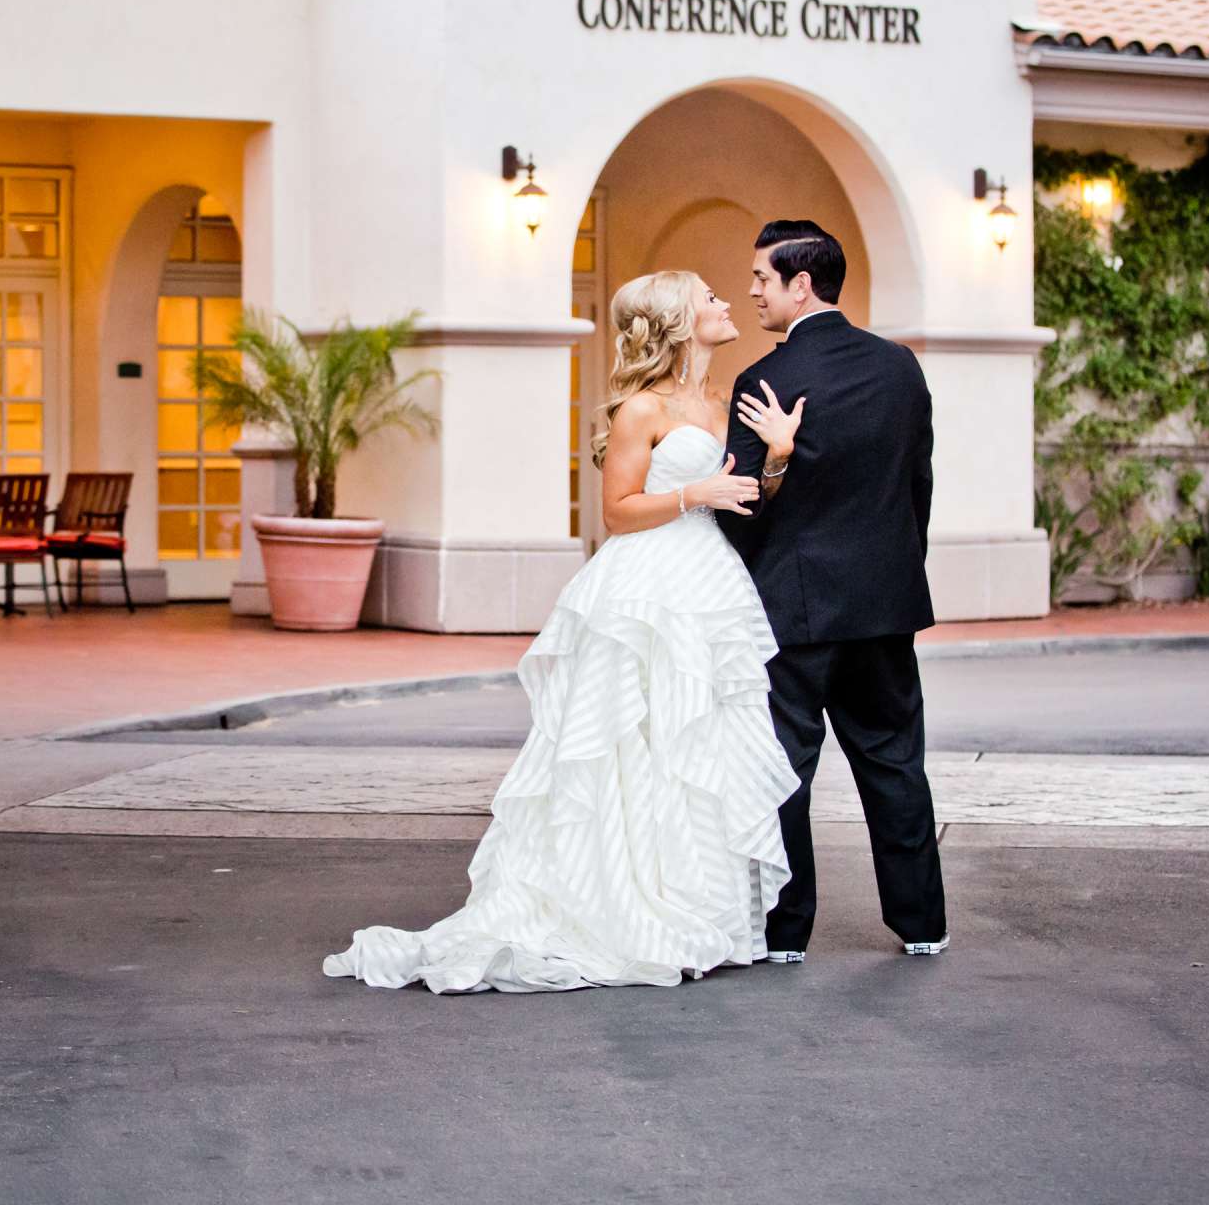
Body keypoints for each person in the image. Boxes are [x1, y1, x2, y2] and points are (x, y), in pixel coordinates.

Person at [323, 270, 803, 992]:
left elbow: (738, 500)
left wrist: (776, 461)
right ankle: (617, 905)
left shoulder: (717, 400)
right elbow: (618, 511)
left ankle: (694, 909)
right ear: (677, 319)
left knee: (691, 740)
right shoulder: (643, 407)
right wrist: (692, 492)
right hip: (643, 585)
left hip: (706, 582)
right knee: (627, 740)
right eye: (708, 296)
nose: (725, 301)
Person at [716, 219, 947, 961]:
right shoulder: (900, 369)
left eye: (761, 278)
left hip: (793, 608)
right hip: (884, 603)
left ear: (801, 283)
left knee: (787, 769)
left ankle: (786, 934)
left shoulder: (765, 380)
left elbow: (741, 501)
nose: (752, 291)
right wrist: (895, 564)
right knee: (894, 760)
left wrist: (751, 572)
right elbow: (919, 484)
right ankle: (922, 926)